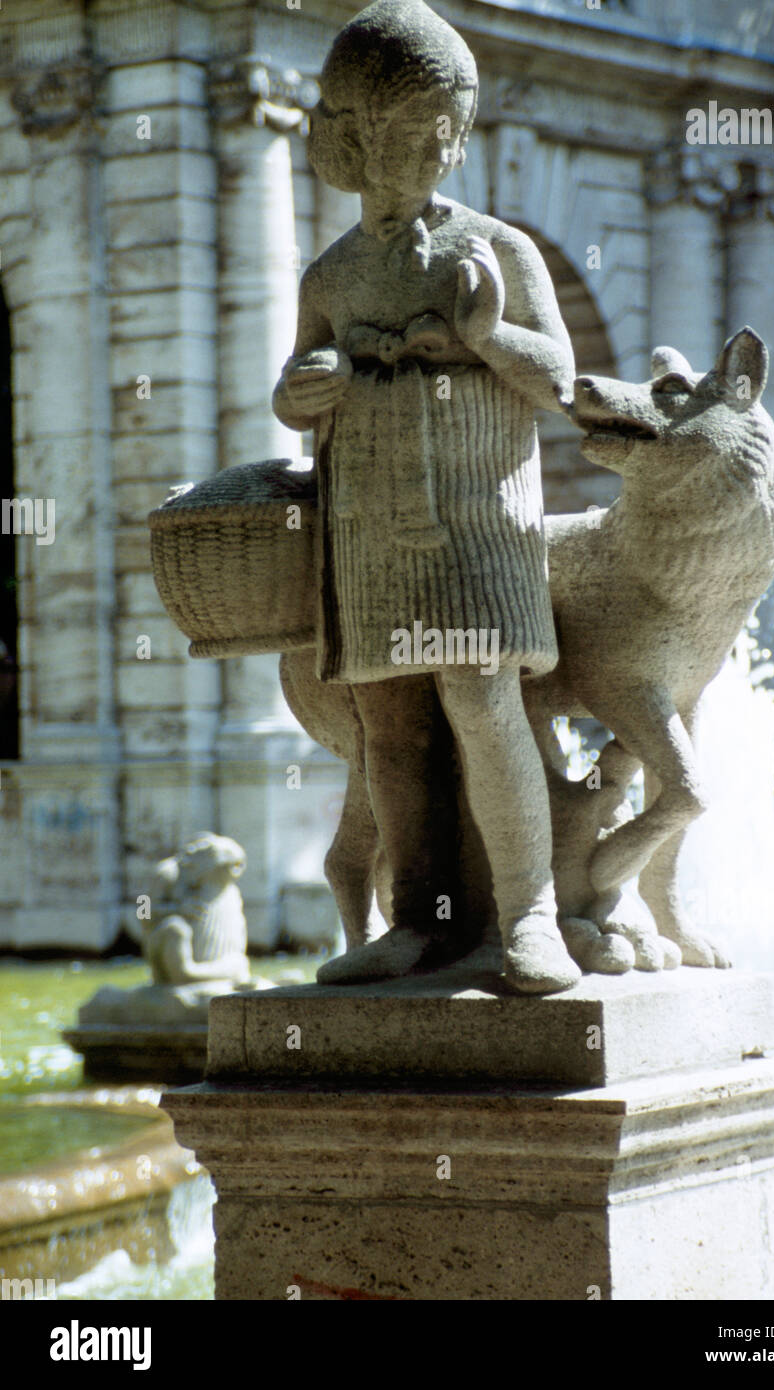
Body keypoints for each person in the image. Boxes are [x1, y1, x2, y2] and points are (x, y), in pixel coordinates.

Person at [273, 0, 580, 992]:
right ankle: (416, 921)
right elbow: (291, 386)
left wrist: (486, 335)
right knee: (389, 725)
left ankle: (528, 917)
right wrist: (302, 390)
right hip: (367, 522)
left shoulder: (497, 250)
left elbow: (560, 384)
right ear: (347, 140)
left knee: (483, 700)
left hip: (478, 520)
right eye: (398, 134)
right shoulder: (331, 275)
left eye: (439, 133)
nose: (424, 153)